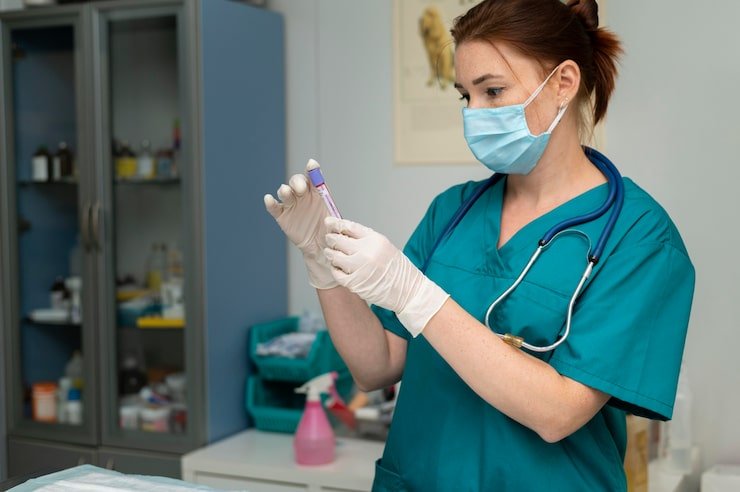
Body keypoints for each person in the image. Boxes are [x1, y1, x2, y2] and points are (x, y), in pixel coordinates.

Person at [264, 0, 695, 489]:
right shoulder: (454, 212)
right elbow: (375, 366)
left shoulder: (638, 236)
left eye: (493, 90)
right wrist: (321, 258)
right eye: (465, 96)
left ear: (563, 83)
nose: (474, 113)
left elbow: (558, 413)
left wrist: (416, 296)